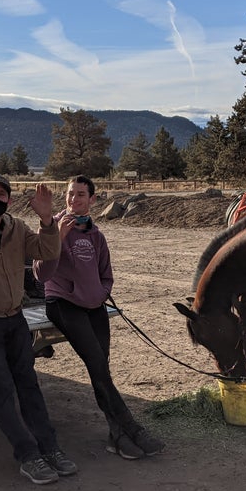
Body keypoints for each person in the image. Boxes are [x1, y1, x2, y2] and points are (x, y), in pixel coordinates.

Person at [33, 175, 165, 460]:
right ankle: (132, 428)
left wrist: (100, 293)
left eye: (81, 195)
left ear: (92, 200)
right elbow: (41, 274)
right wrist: (59, 237)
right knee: (96, 363)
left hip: (94, 307)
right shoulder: (51, 227)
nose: (73, 200)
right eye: (70, 194)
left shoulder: (96, 235)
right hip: (63, 303)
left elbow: (106, 274)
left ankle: (116, 436)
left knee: (100, 368)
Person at [0, 173, 77, 485]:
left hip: (15, 320)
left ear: (9, 200)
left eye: (2, 194)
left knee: (29, 386)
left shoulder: (17, 228)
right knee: (1, 391)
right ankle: (28, 455)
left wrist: (46, 219)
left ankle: (50, 448)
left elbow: (46, 251)